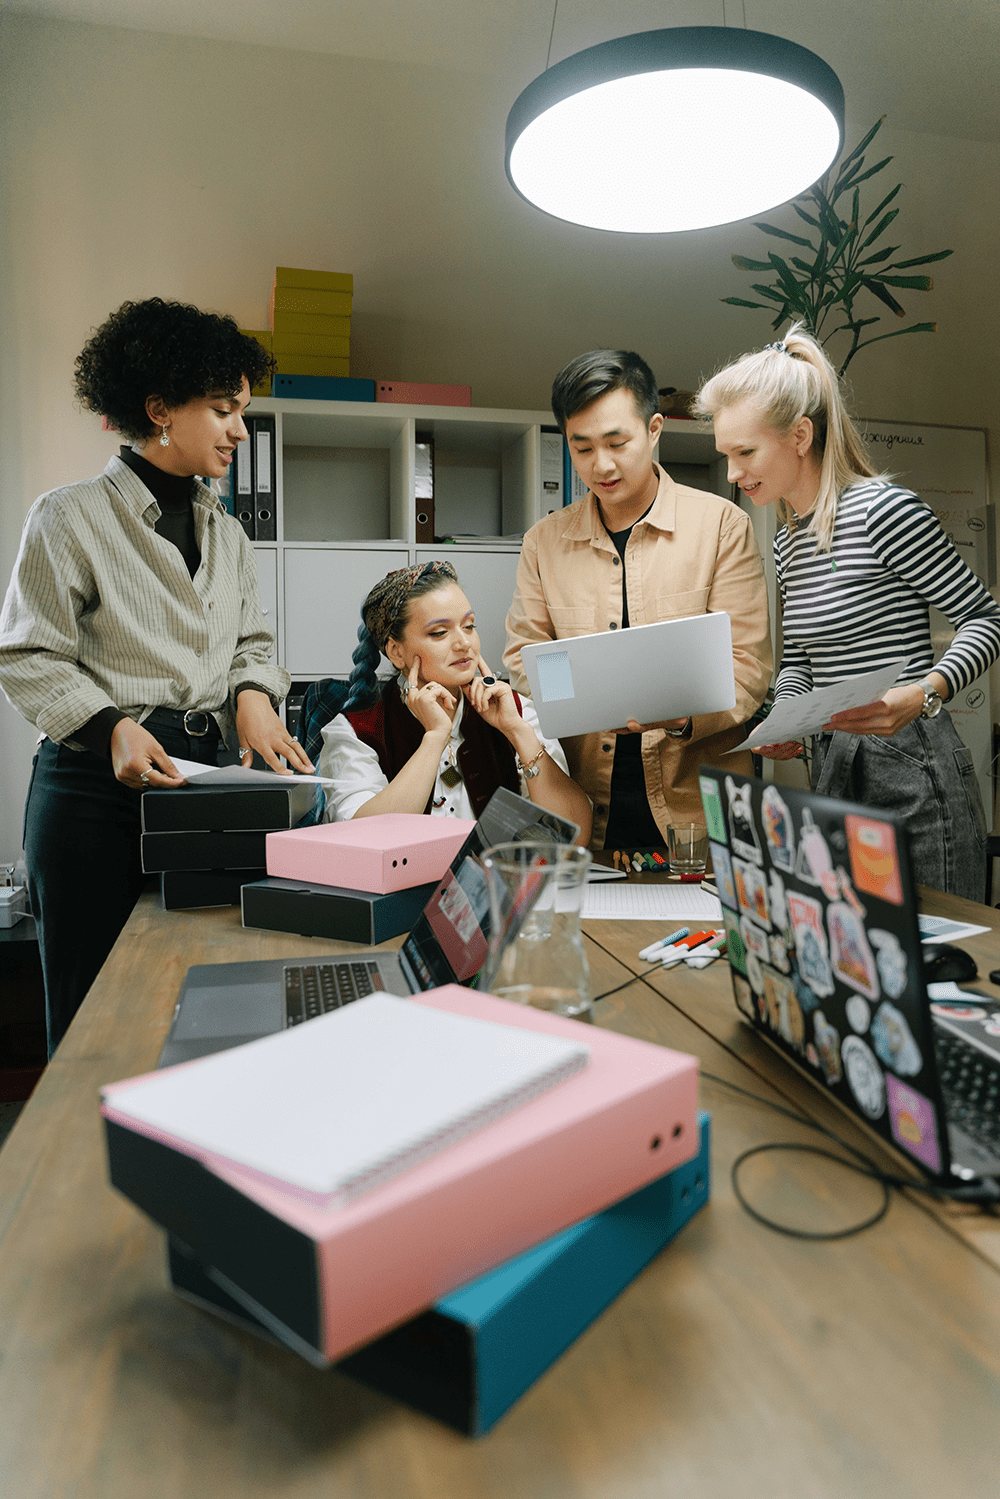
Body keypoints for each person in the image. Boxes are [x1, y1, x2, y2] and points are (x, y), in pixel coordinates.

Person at [0, 297, 313, 1053]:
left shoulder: (230, 533)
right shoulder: (67, 516)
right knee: (93, 1031)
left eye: (242, 410)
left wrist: (253, 698)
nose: (241, 429)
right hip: (92, 799)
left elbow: (254, 643)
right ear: (159, 408)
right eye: (223, 409)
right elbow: (27, 652)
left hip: (206, 789)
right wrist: (112, 726)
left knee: (207, 999)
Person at [694, 323, 1000, 901]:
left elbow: (987, 619)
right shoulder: (788, 541)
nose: (733, 474)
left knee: (936, 961)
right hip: (833, 767)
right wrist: (784, 715)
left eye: (745, 453)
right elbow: (802, 660)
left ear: (800, 435)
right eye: (725, 455)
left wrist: (926, 691)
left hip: (914, 771)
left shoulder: (884, 512)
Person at [503, 348, 773, 851]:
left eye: (616, 442)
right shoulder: (543, 542)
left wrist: (679, 717)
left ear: (653, 430)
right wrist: (584, 697)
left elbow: (749, 667)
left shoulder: (719, 527)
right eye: (581, 448)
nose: (600, 465)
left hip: (699, 810)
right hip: (585, 807)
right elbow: (524, 656)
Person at [317, 559, 592, 840]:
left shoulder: (517, 712)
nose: (464, 644)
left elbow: (576, 838)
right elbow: (364, 842)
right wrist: (435, 738)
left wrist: (518, 732)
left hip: (497, 883)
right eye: (439, 632)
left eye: (469, 626)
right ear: (396, 652)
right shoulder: (355, 733)